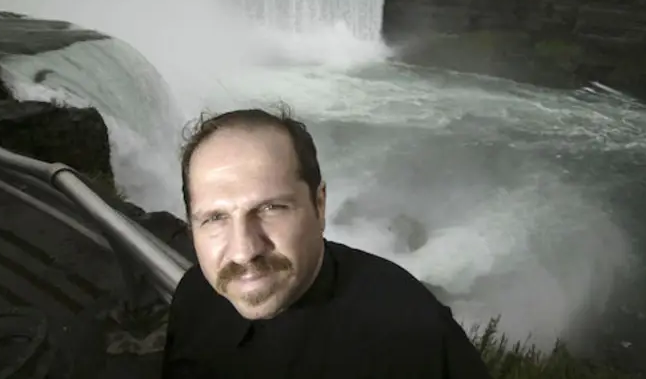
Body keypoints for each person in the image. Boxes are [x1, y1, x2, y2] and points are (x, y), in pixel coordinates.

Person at [161, 106, 492, 379]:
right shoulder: (195, 295)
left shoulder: (412, 338)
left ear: (319, 205)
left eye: (270, 208)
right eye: (215, 218)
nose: (244, 251)